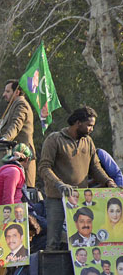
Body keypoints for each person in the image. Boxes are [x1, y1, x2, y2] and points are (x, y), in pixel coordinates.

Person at [39, 106, 116, 250]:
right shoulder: (54, 139)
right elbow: (44, 167)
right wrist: (59, 184)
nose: (91, 129)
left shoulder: (88, 141)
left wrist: (108, 181)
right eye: (89, 125)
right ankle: (55, 271)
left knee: (83, 241)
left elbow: (95, 167)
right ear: (78, 123)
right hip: (57, 199)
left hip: (80, 199)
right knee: (53, 242)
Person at [0, 80, 36, 187]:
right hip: (13, 157)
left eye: (8, 91)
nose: (4, 94)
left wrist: (5, 139)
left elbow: (16, 124)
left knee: (24, 193)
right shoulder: (13, 105)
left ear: (17, 92)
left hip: (23, 156)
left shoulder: (21, 104)